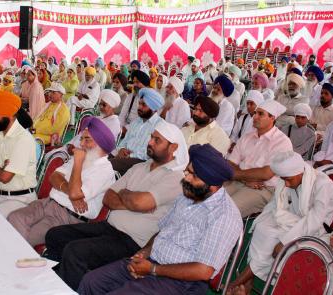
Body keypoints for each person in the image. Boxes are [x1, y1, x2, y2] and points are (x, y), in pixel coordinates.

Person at [79, 143, 241, 295]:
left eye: (194, 177)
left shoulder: (224, 216)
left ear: (212, 186)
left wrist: (153, 269)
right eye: (187, 172)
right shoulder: (189, 195)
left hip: (181, 283)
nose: (186, 179)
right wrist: (143, 253)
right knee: (91, 282)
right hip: (151, 262)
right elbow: (162, 231)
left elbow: (203, 271)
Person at [44, 120, 188, 290]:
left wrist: (128, 195)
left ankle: (64, 288)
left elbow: (139, 202)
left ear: (173, 148)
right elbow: (109, 198)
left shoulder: (176, 178)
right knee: (55, 235)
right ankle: (56, 282)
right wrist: (134, 202)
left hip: (132, 242)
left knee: (75, 252)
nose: (150, 142)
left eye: (157, 140)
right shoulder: (139, 167)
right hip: (109, 228)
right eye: (151, 137)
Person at [227, 151, 333, 295]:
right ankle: (248, 281)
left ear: (299, 172)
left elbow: (315, 219)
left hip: (317, 228)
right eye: (283, 179)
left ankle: (240, 281)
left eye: (288, 179)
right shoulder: (289, 178)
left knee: (272, 236)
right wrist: (261, 219)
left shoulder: (323, 183)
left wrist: (286, 241)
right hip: (293, 218)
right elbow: (274, 204)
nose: (286, 183)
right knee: (261, 227)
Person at [7, 117, 116, 246]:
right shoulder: (84, 156)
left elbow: (75, 194)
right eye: (81, 139)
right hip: (47, 203)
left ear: (101, 144)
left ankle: (15, 255)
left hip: (67, 217)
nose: (81, 144)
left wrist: (77, 163)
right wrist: (69, 191)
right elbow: (54, 177)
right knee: (13, 217)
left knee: (25, 237)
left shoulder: (104, 170)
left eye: (87, 140)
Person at [226, 100, 293, 217]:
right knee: (209, 197)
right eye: (256, 113)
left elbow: (266, 174)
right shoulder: (247, 137)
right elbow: (230, 163)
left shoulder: (282, 142)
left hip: (263, 189)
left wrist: (238, 175)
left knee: (228, 210)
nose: (255, 117)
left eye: (260, 114)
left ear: (272, 118)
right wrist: (244, 179)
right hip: (240, 181)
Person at [0, 91, 38, 217]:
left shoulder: (23, 139)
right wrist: (1, 170)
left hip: (19, 199)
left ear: (10, 115)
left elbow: (5, 178)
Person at [111, 88, 164, 175]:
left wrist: (130, 155)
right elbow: (125, 140)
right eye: (139, 103)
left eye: (144, 105)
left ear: (154, 108)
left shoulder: (160, 126)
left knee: (108, 166)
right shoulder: (136, 121)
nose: (139, 107)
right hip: (125, 157)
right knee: (101, 160)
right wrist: (121, 149)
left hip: (142, 162)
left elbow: (151, 152)